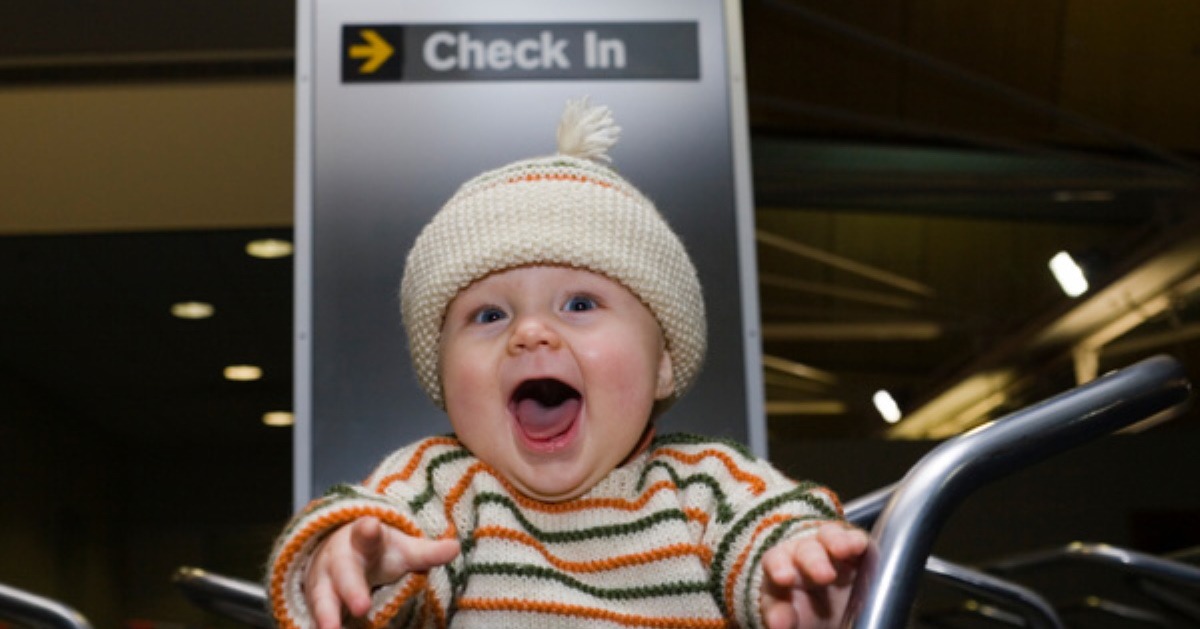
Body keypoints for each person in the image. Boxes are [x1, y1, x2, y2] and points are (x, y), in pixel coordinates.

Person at [267, 98, 868, 629]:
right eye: (488, 316)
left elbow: (780, 530)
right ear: (443, 379)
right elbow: (369, 533)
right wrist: (355, 565)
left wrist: (801, 576)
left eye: (580, 304)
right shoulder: (441, 488)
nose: (530, 333)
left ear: (662, 364)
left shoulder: (706, 484)